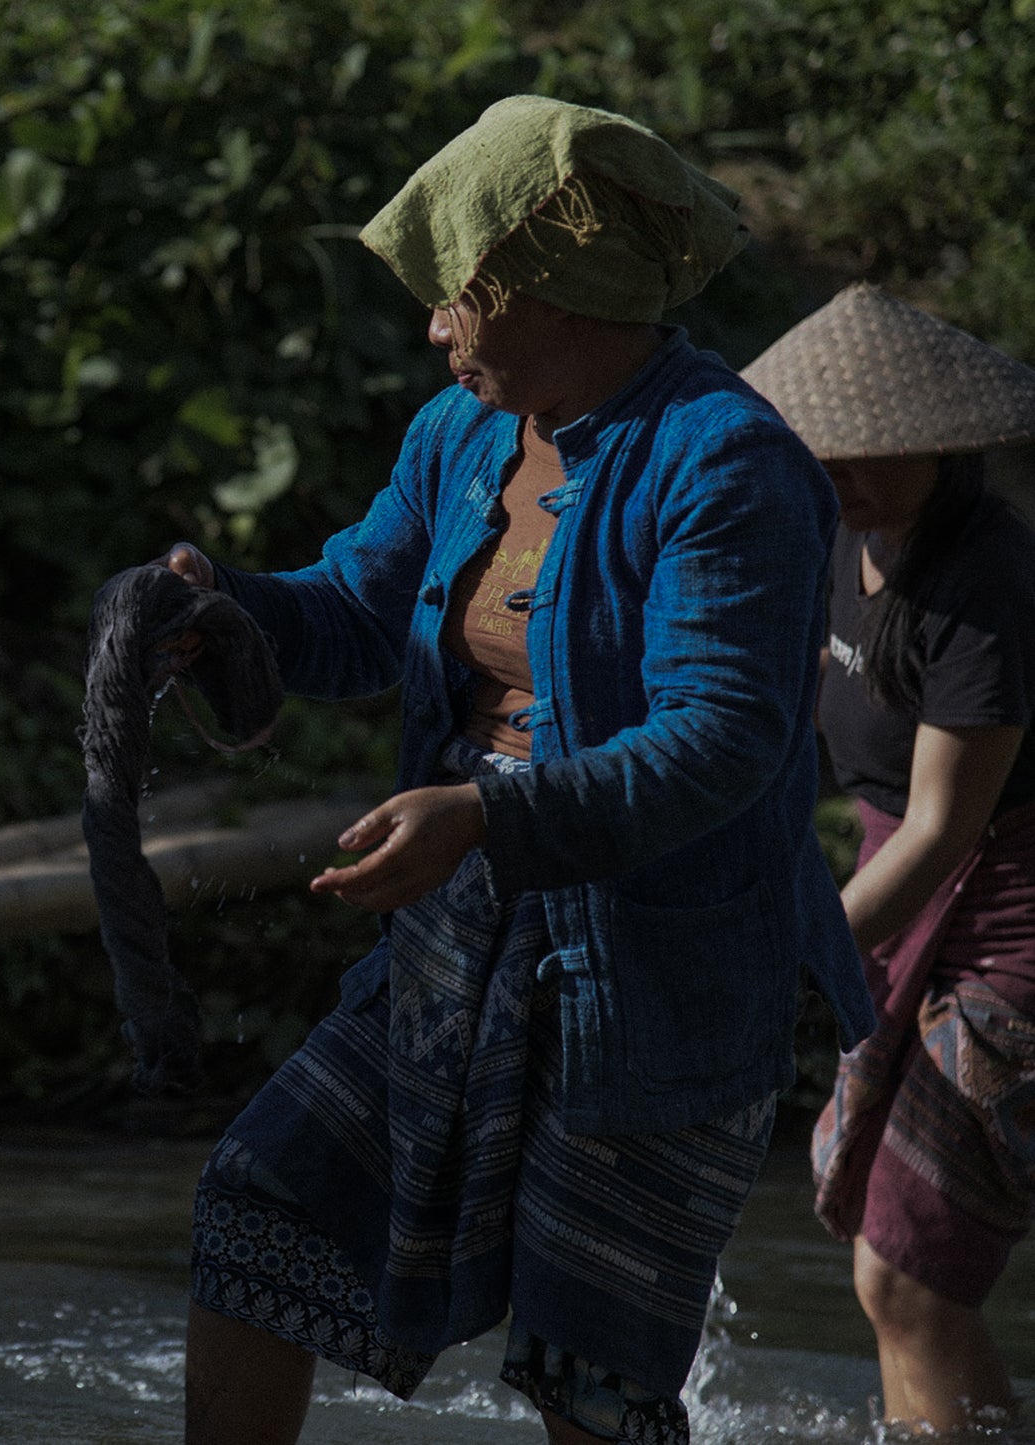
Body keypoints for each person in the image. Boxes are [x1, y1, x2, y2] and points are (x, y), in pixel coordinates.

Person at [150, 96, 875, 1444]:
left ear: (559, 289)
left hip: (652, 977)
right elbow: (361, 613)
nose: (437, 327)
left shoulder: (728, 465)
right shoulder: (462, 435)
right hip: (455, 937)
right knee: (261, 1203)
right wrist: (221, 612)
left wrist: (486, 813)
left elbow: (722, 739)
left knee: (589, 1372)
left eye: (463, 294)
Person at [742, 282, 1035, 1432]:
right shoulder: (829, 540)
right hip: (895, 896)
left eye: (867, 456)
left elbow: (939, 828)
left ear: (937, 443)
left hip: (1005, 918)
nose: (840, 476)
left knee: (904, 1274)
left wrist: (781, 952)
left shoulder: (988, 580)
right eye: (823, 456)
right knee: (886, 1243)